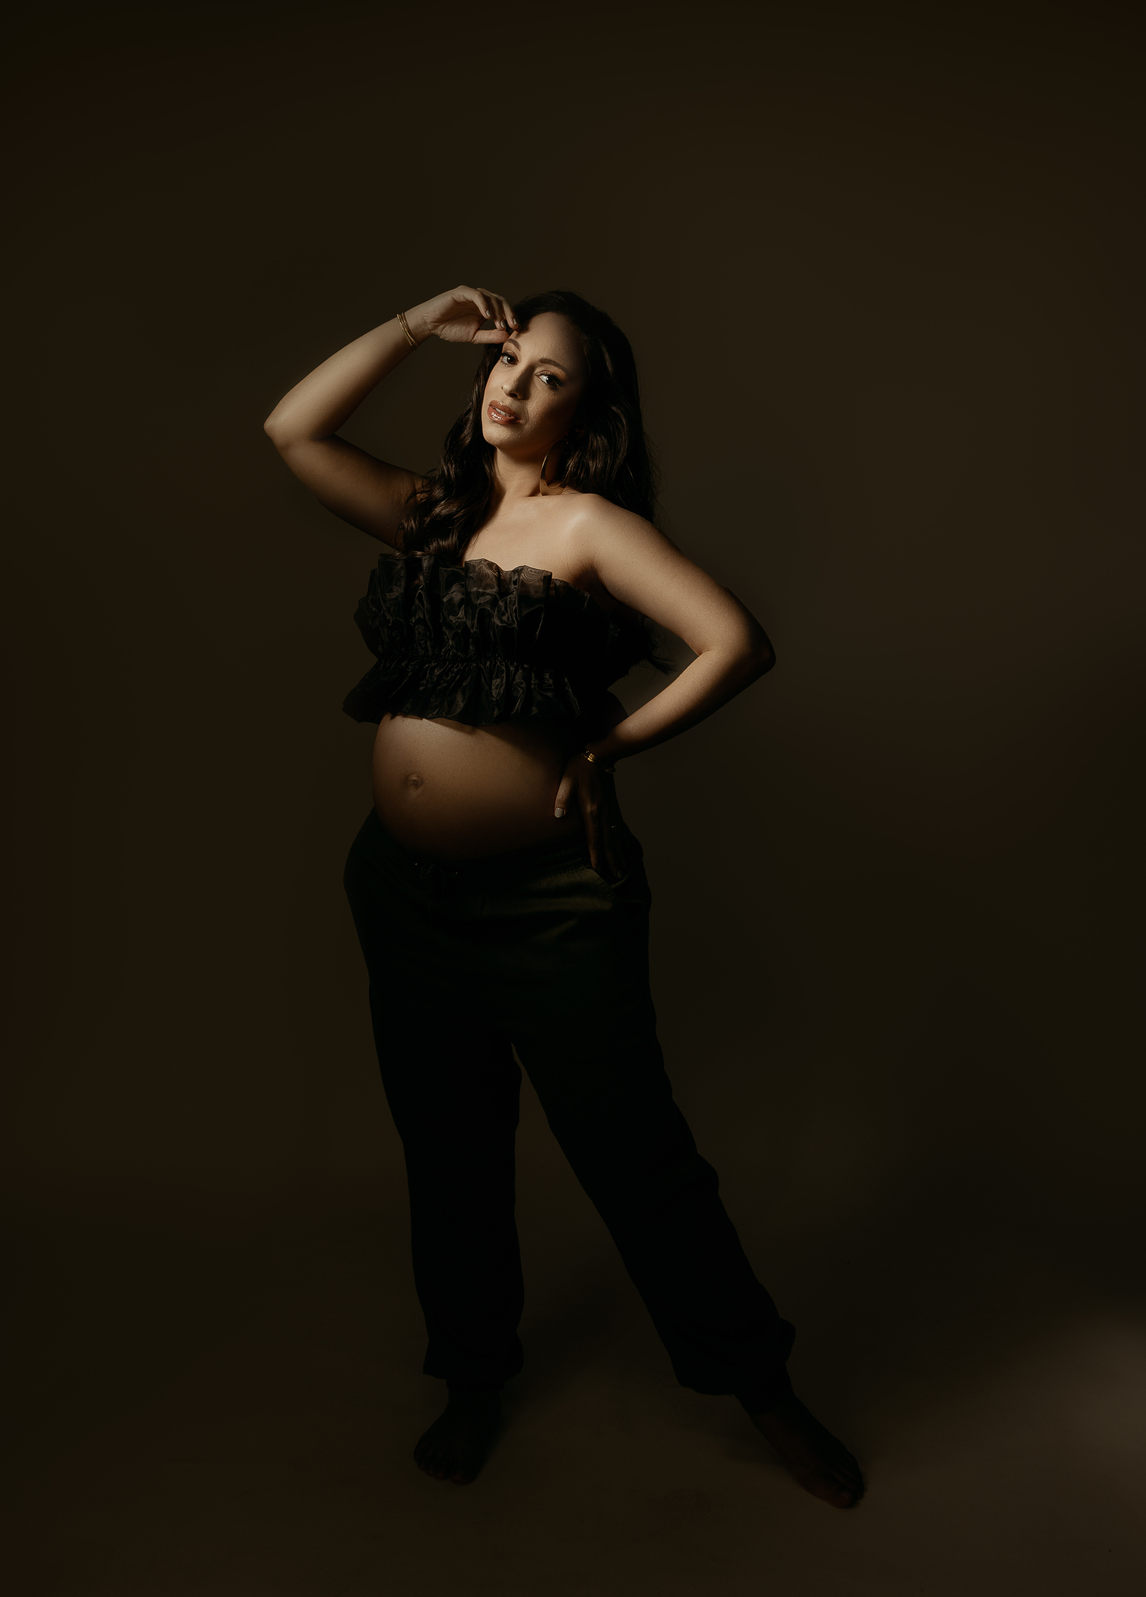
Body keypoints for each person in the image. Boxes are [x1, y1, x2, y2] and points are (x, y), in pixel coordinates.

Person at [263, 284, 865, 1507]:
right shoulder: (431, 516)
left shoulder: (590, 526)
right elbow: (293, 431)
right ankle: (472, 1375)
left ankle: (763, 1387)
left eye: (550, 376)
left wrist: (609, 749)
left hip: (548, 904)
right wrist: (415, 326)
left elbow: (734, 642)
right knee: (450, 1149)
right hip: (403, 893)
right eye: (507, 360)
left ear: (587, 410)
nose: (516, 386)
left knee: (636, 1155)